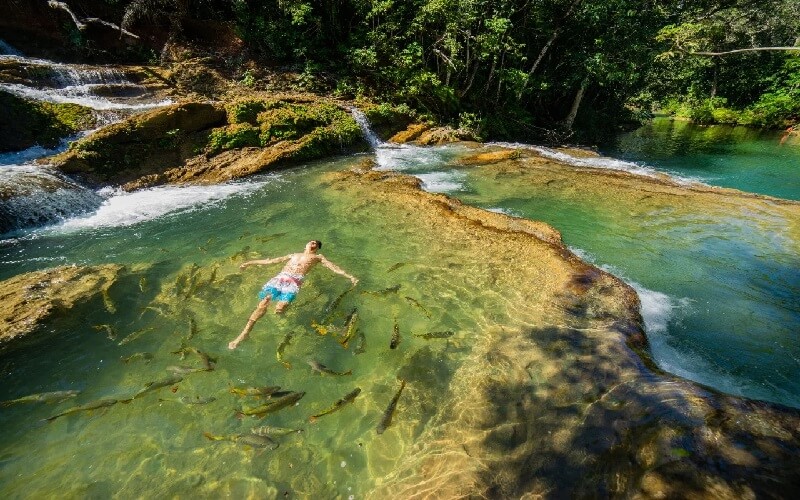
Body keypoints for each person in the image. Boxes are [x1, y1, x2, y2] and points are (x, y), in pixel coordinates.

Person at [228, 240, 358, 350]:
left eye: (317, 244)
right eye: (311, 241)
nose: (314, 243)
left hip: (294, 282)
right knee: (263, 304)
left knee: (280, 308)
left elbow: (333, 267)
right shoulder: (293, 255)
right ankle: (244, 334)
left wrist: (349, 276)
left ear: (317, 249)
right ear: (305, 245)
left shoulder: (318, 258)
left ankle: (281, 324)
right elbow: (270, 261)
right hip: (279, 279)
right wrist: (249, 263)